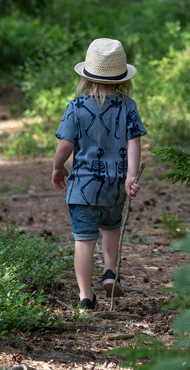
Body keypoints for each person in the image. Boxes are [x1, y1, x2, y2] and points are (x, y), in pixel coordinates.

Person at [52, 38, 146, 311]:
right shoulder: (128, 106)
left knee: (83, 241)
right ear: (122, 79)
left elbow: (65, 146)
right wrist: (131, 177)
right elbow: (134, 142)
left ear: (86, 77)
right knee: (111, 229)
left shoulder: (76, 108)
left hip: (82, 187)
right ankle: (108, 272)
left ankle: (85, 296)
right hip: (115, 186)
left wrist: (58, 168)